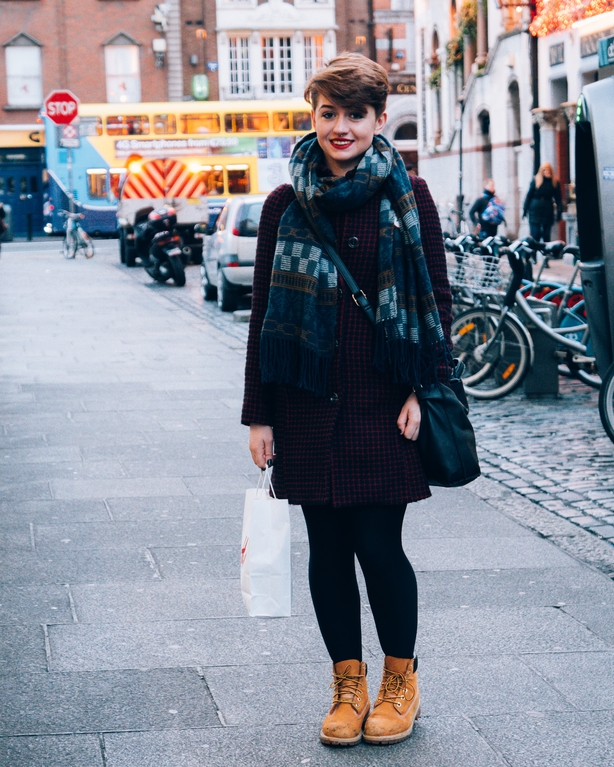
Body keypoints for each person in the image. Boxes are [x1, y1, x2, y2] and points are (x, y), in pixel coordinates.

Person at [242, 52, 453, 748]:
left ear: (378, 118)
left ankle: (400, 680)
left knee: (377, 543)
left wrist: (424, 388)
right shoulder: (282, 204)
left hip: (382, 404)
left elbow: (436, 305)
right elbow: (264, 315)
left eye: (355, 114)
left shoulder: (406, 194)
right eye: (328, 113)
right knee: (326, 549)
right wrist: (260, 413)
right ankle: (347, 683)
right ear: (313, 115)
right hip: (304, 405)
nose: (341, 127)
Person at [523, 162, 563, 242]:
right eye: (544, 170)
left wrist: (559, 211)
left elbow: (558, 198)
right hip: (535, 209)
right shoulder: (536, 180)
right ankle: (533, 252)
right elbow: (529, 195)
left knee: (546, 234)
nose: (547, 172)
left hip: (547, 209)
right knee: (535, 234)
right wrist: (525, 209)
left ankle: (546, 253)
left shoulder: (554, 182)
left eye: (548, 171)